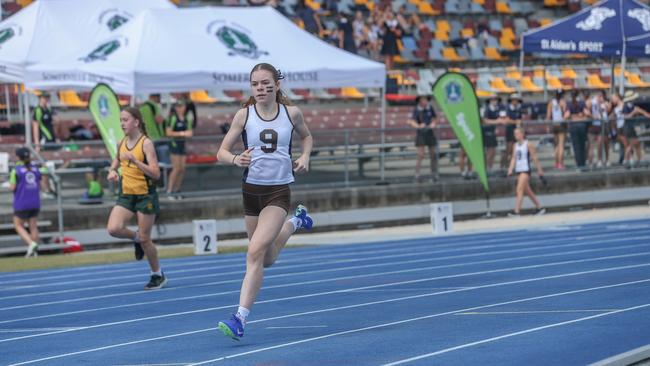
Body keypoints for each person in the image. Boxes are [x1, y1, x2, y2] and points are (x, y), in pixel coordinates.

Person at [216, 63, 314, 341]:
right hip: (251, 193)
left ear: (276, 85)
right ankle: (296, 221)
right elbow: (221, 152)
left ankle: (240, 319)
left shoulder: (291, 113)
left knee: (254, 252)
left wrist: (305, 156)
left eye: (265, 83)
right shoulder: (243, 116)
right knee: (266, 258)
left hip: (277, 192)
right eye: (255, 84)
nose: (260, 88)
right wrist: (236, 159)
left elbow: (307, 137)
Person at [106, 107, 166, 290]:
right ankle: (135, 238)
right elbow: (116, 161)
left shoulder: (146, 143)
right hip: (126, 193)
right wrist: (112, 171)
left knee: (146, 240)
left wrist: (135, 161)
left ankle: (157, 275)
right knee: (113, 228)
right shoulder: (121, 142)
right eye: (121, 120)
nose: (122, 124)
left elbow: (156, 173)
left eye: (125, 120)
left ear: (136, 122)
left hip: (145, 195)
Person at [10, 147, 45, 257]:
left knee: (18, 224)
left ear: (18, 157)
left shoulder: (16, 170)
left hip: (22, 201)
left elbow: (12, 187)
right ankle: (34, 252)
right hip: (35, 201)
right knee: (33, 226)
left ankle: (31, 244)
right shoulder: (35, 168)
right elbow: (40, 181)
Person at [507, 127, 546, 216]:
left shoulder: (528, 144)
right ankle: (539, 207)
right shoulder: (515, 145)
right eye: (515, 134)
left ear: (522, 134)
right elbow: (514, 158)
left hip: (525, 169)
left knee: (519, 189)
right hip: (519, 169)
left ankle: (517, 211)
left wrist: (539, 170)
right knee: (527, 191)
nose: (516, 136)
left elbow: (535, 157)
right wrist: (510, 168)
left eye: (517, 133)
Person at [165, 101, 193, 200]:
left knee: (182, 169)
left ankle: (177, 190)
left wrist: (183, 133)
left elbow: (190, 132)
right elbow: (168, 133)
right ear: (176, 108)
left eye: (182, 106)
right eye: (178, 106)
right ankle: (169, 191)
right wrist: (182, 133)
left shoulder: (186, 118)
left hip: (182, 146)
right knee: (176, 168)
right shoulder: (173, 118)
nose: (180, 108)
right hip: (174, 145)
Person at [407, 95, 438, 181]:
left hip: (430, 131)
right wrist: (418, 126)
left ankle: (434, 172)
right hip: (421, 133)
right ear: (420, 101)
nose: (425, 101)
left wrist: (433, 124)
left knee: (433, 153)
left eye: (426, 99)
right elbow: (411, 121)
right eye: (423, 100)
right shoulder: (416, 110)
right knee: (421, 154)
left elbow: (435, 118)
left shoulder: (430, 108)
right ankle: (417, 173)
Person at [620, 90, 650, 168]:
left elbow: (642, 111)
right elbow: (626, 117)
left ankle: (640, 160)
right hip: (628, 127)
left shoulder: (633, 106)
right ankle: (625, 160)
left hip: (632, 127)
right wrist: (634, 112)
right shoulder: (626, 106)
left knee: (637, 144)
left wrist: (646, 114)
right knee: (631, 145)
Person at [585, 90, 610, 168]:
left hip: (601, 126)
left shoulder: (604, 104)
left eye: (601, 96)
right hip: (593, 125)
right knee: (591, 145)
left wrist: (601, 104)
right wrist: (593, 116)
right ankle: (590, 162)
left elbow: (607, 111)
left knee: (600, 144)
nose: (600, 98)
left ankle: (599, 160)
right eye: (599, 96)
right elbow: (587, 112)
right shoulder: (591, 102)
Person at [481, 95, 505, 173]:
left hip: (492, 131)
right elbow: (485, 121)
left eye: (496, 99)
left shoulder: (498, 108)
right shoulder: (487, 109)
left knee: (493, 151)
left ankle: (490, 167)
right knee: (489, 151)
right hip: (487, 131)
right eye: (493, 99)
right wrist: (497, 121)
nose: (495, 101)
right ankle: (486, 168)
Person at [546, 90, 569, 170]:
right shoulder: (563, 102)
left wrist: (548, 126)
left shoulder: (551, 103)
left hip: (554, 124)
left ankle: (556, 163)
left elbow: (548, 116)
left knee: (556, 145)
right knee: (561, 145)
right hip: (561, 124)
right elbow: (566, 113)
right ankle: (561, 163)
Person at [502, 93, 524, 171]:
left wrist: (518, 123)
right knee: (509, 148)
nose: (515, 101)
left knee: (515, 149)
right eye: (514, 100)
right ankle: (504, 165)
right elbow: (507, 120)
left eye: (516, 100)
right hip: (510, 130)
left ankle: (512, 166)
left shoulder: (519, 108)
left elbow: (520, 120)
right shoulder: (508, 108)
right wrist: (515, 122)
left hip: (516, 130)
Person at [568, 91, 589, 171]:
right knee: (582, 146)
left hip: (573, 126)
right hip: (582, 126)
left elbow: (566, 115)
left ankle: (579, 165)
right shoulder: (582, 103)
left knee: (576, 147)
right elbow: (587, 113)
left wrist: (573, 116)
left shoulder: (569, 104)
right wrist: (580, 115)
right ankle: (583, 164)